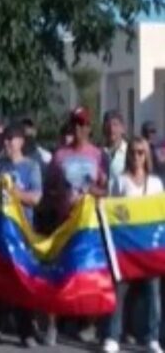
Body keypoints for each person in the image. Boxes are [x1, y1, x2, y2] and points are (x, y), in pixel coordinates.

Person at [0, 123, 42, 347]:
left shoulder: (32, 167)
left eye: (11, 139)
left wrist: (15, 194)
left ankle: (26, 332)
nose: (7, 143)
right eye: (5, 139)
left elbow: (36, 198)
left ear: (21, 141)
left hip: (21, 235)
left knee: (23, 282)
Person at [44, 107, 108, 345]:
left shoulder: (98, 155)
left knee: (88, 275)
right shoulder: (59, 155)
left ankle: (89, 325)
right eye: (75, 124)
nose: (78, 129)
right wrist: (57, 195)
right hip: (63, 223)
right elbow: (47, 186)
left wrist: (94, 190)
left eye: (82, 125)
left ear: (89, 128)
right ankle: (52, 326)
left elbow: (106, 190)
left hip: (88, 227)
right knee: (58, 274)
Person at [102, 137, 163, 353]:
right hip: (125, 249)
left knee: (153, 293)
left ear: (147, 156)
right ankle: (112, 336)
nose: (137, 156)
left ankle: (152, 338)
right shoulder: (118, 181)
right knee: (119, 292)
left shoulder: (156, 183)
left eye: (141, 152)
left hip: (149, 250)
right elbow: (110, 212)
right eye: (134, 152)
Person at [102, 111, 128, 192]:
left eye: (115, 125)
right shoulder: (98, 153)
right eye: (108, 125)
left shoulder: (131, 152)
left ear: (123, 128)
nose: (111, 129)